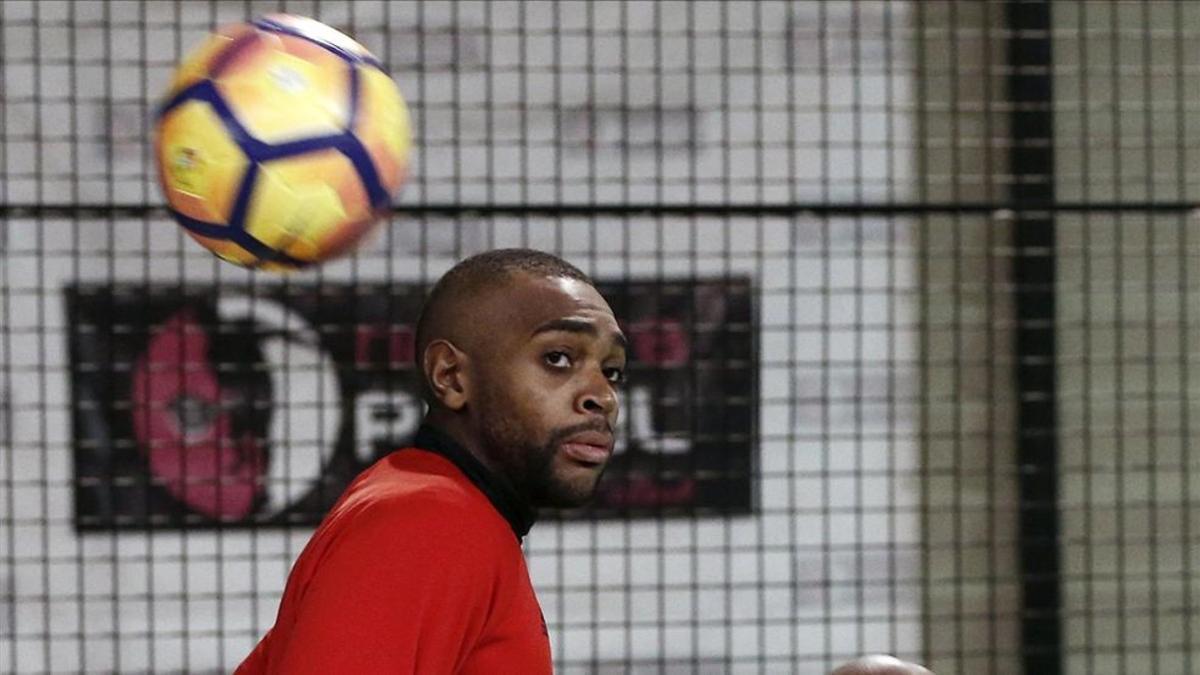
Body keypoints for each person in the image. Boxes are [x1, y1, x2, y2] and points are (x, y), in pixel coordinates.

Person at [236, 248, 933, 674]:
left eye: (614, 372)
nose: (600, 395)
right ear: (451, 377)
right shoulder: (426, 518)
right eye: (559, 359)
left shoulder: (451, 514)